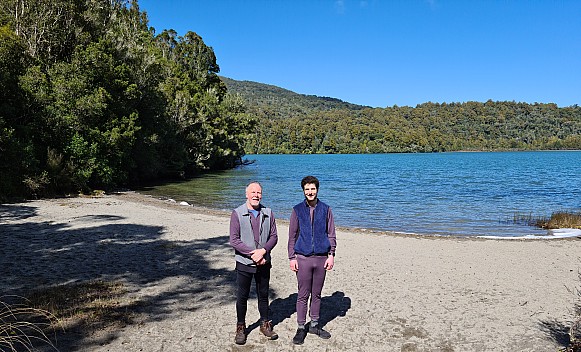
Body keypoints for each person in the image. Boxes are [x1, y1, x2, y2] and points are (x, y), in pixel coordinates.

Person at [288, 175, 337, 345]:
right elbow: (292, 236)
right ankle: (301, 327)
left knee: (316, 294)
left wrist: (331, 254)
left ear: (317, 190)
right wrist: (291, 257)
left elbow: (331, 234)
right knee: (303, 294)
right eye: (307, 189)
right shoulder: (297, 210)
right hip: (302, 258)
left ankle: (314, 325)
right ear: (303, 191)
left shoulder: (326, 209)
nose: (310, 192)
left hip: (322, 257)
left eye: (313, 189)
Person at [229, 181, 279, 345]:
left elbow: (274, 237)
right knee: (242, 296)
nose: (256, 195)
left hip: (264, 262)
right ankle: (241, 327)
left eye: (258, 192)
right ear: (246, 194)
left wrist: (263, 251)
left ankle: (265, 324)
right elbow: (234, 240)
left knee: (263, 295)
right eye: (253, 192)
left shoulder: (268, 213)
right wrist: (253, 254)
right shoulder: (237, 213)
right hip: (244, 263)